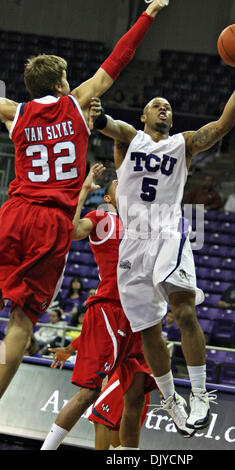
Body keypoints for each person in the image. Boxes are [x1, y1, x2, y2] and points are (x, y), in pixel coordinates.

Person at [0, 0, 169, 399]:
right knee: (21, 328)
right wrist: (148, 14)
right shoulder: (77, 104)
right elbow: (119, 58)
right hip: (51, 223)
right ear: (60, 84)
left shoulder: (14, 112)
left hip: (14, 212)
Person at [94, 50, 235, 435]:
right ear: (144, 116)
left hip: (168, 231)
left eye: (168, 106)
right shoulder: (130, 139)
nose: (164, 109)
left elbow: (221, 125)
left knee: (184, 310)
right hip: (132, 243)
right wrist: (98, 115)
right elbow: (110, 125)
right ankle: (171, 401)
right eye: (157, 105)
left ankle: (201, 393)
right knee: (149, 330)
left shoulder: (183, 144)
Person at [41, 166, 156, 451]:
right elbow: (70, 231)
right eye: (118, 184)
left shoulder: (145, 225)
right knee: (90, 392)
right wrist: (82, 191)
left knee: (136, 394)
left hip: (139, 316)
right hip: (111, 309)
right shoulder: (102, 219)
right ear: (107, 198)